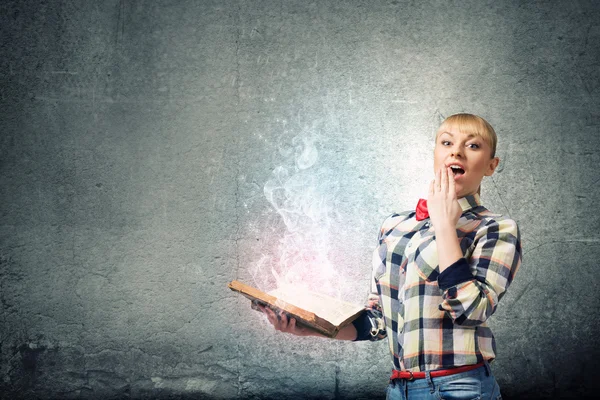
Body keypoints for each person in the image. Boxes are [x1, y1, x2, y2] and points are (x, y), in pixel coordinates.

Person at [257, 113, 522, 400]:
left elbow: (471, 311)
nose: (456, 151)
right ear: (435, 154)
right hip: (399, 389)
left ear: (491, 166)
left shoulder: (496, 228)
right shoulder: (395, 227)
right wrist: (312, 329)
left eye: (472, 146)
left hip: (460, 387)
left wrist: (445, 225)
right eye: (446, 143)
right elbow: (378, 320)